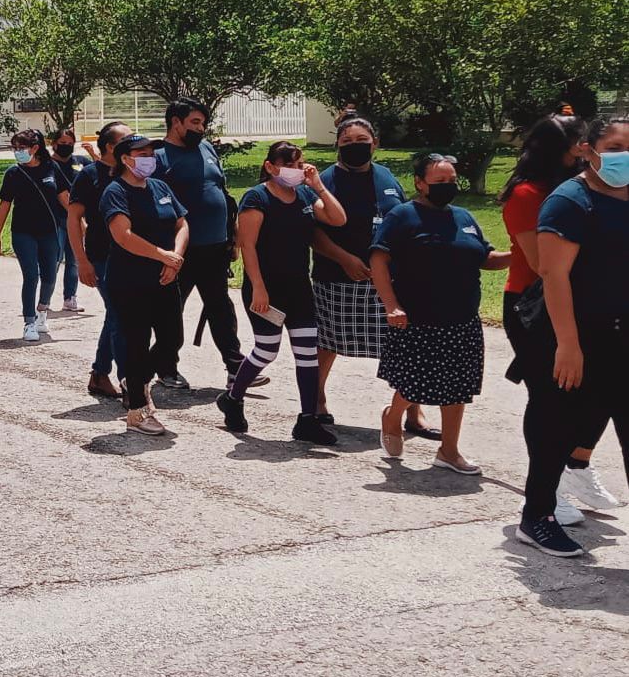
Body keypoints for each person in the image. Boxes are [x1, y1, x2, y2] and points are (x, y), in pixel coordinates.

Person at [515, 115, 629, 557]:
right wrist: (568, 344)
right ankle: (537, 517)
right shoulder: (569, 200)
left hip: (622, 333)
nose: (624, 157)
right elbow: (553, 274)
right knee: (557, 426)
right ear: (587, 149)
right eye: (616, 147)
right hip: (574, 333)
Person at [370, 153, 508, 473]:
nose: (448, 185)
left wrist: (519, 255)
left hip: (462, 318)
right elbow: (378, 259)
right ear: (420, 183)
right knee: (415, 382)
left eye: (452, 180)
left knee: (458, 387)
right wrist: (391, 304)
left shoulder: (464, 217)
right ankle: (393, 415)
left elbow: (486, 258)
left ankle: (449, 451)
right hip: (417, 318)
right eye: (440, 181)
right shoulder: (403, 216)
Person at [217, 140, 347, 444]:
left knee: (307, 354)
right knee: (267, 350)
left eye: (300, 164)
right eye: (289, 165)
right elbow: (247, 245)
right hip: (266, 288)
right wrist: (258, 289)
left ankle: (307, 419)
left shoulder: (304, 194)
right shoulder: (257, 197)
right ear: (270, 166)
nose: (296, 170)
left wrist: (318, 186)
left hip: (298, 287)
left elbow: (338, 218)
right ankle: (233, 398)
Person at [310, 117, 433, 435]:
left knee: (406, 342)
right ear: (337, 145)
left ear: (375, 143)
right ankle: (316, 400)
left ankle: (413, 411)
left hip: (388, 278)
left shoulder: (387, 176)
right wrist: (345, 259)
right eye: (347, 142)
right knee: (327, 342)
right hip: (338, 277)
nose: (355, 146)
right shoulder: (326, 181)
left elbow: (403, 217)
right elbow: (313, 233)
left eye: (362, 140)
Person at [100, 135, 189, 434]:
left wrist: (174, 258)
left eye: (152, 153)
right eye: (142, 154)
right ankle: (137, 412)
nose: (150, 158)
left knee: (171, 340)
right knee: (136, 343)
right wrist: (161, 255)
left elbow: (181, 223)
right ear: (125, 159)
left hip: (165, 277)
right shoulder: (115, 191)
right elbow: (123, 236)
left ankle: (135, 380)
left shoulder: (160, 187)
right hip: (130, 280)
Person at [154, 101, 243, 388]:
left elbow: (223, 193)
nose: (200, 128)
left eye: (203, 123)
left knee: (221, 307)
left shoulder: (206, 149)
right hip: (179, 251)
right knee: (171, 310)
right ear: (175, 122)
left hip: (216, 246)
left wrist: (234, 238)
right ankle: (165, 366)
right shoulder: (158, 157)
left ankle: (236, 366)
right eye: (194, 122)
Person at [69, 122, 134, 399]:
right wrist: (81, 261)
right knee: (121, 315)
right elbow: (73, 219)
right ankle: (129, 381)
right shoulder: (89, 176)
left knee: (117, 314)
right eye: (127, 139)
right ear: (110, 146)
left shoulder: (130, 172)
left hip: (133, 256)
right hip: (102, 257)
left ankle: (99, 373)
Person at [0, 129, 70, 343]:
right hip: (23, 232)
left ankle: (42, 310)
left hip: (49, 231)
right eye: (15, 148)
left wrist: (80, 222)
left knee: (50, 276)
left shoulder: (51, 167)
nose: (18, 152)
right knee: (31, 276)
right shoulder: (13, 173)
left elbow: (64, 196)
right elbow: (4, 204)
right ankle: (29, 321)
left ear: (35, 148)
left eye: (22, 148)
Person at [50, 128, 86, 312]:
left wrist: (94, 154)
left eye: (70, 144)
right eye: (63, 143)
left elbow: (102, 172)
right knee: (54, 260)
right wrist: (78, 219)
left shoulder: (80, 162)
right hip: (57, 219)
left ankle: (70, 297)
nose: (67, 147)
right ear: (54, 144)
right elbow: (61, 195)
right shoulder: (48, 164)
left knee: (74, 260)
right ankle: (44, 298)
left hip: (77, 219)